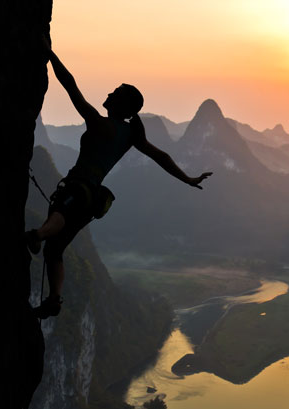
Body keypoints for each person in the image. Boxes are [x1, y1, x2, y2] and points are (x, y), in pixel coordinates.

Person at [27, 37, 212, 319]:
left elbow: (71, 87)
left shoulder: (99, 123)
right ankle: (54, 298)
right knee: (56, 250)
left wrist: (50, 56)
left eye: (115, 92)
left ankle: (37, 235)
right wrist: (187, 179)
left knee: (61, 215)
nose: (110, 93)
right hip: (93, 199)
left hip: (79, 188)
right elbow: (161, 156)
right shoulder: (130, 136)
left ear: (122, 105)